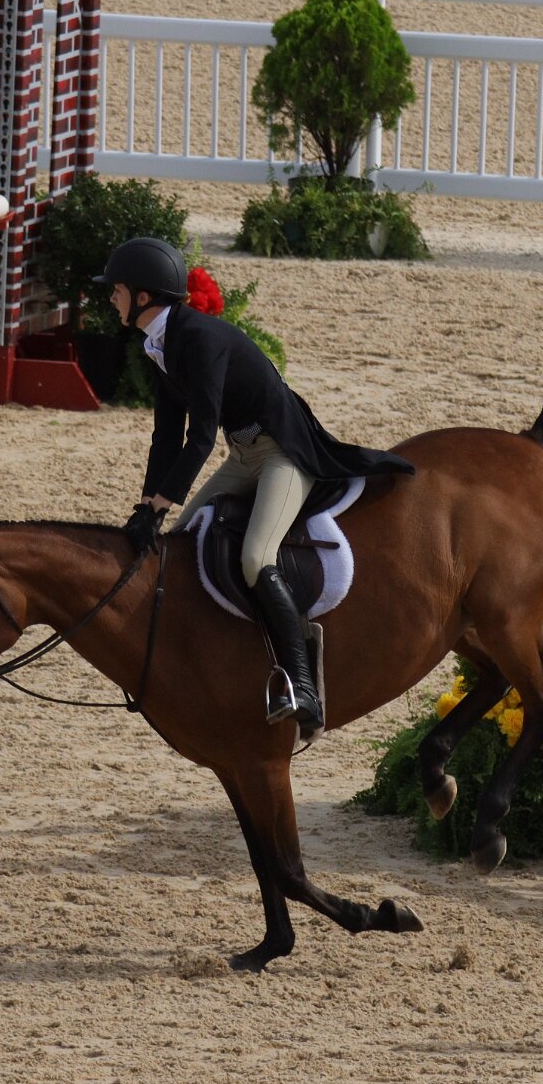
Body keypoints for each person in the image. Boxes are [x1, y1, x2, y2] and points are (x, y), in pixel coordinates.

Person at [102, 237, 413, 741]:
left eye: (115, 290)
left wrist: (162, 500)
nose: (110, 298)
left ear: (142, 296)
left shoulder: (197, 339)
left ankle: (303, 685)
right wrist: (147, 506)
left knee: (255, 557)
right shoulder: (160, 343)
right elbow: (166, 435)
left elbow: (200, 437)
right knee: (181, 539)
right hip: (244, 455)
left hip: (284, 454)